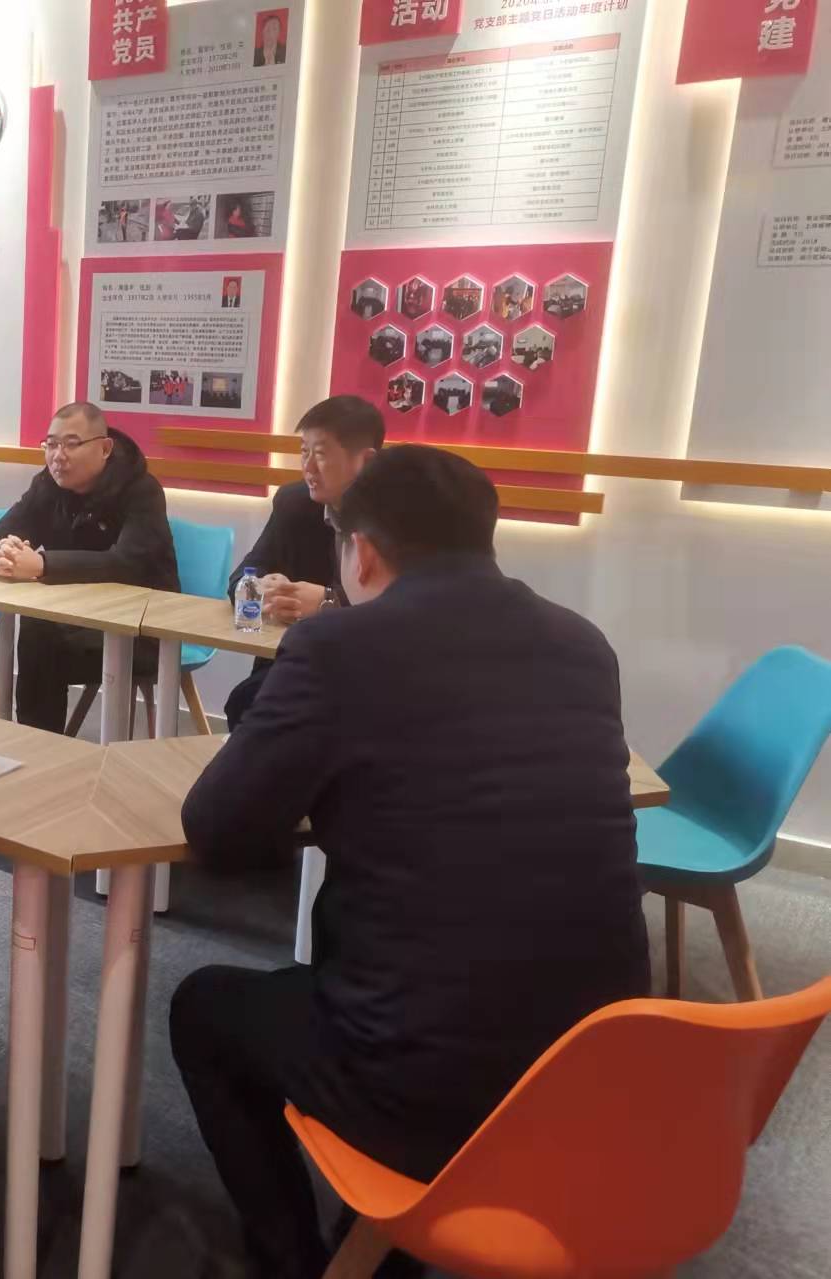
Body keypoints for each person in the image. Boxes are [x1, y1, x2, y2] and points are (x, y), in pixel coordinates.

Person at [171, 446, 648, 1279]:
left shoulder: (337, 646)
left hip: (423, 1081)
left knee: (203, 1008)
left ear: (359, 551)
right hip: (596, 1071)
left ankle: (294, 1262)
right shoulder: (584, 645)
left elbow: (215, 827)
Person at [0, 402, 178, 732]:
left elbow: (125, 563)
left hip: (141, 631)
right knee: (38, 629)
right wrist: (1, 554)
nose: (58, 456)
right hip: (75, 620)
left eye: (71, 444)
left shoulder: (141, 490)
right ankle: (37, 744)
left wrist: (43, 564)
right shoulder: (47, 486)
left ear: (105, 448)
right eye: (51, 444)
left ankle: (43, 741)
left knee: (43, 643)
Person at [222, 395, 383, 728]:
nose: (308, 468)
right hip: (299, 659)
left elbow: (405, 610)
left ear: (365, 461)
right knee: (244, 702)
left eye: (320, 454)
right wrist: (261, 589)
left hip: (369, 668)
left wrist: (328, 603)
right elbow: (242, 576)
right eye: (304, 452)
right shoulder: (294, 503)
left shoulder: (393, 518)